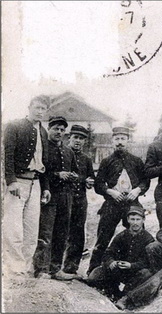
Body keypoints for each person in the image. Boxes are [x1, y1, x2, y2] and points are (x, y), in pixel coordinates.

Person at [88, 126, 150, 276]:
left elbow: (145, 181)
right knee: (103, 238)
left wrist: (137, 190)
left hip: (132, 204)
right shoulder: (106, 161)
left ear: (128, 141)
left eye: (123, 139)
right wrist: (111, 192)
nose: (120, 142)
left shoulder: (136, 161)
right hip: (112, 204)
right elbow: (98, 184)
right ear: (112, 141)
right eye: (117, 139)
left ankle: (139, 269)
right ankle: (93, 271)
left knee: (139, 234)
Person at [2, 95, 51, 278]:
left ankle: (25, 267)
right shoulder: (15, 126)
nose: (39, 111)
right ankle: (14, 268)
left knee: (32, 229)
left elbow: (44, 161)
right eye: (37, 107)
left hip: (36, 183)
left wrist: (45, 187)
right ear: (29, 107)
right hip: (18, 182)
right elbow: (8, 155)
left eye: (43, 109)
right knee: (13, 227)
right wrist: (11, 180)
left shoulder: (43, 132)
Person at [33, 116, 78, 280]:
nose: (59, 132)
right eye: (55, 129)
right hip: (49, 195)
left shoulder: (68, 151)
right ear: (49, 129)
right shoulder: (43, 149)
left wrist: (73, 176)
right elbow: (40, 173)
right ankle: (41, 269)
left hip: (66, 197)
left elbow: (75, 172)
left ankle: (56, 269)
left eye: (62, 129)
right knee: (45, 233)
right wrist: (58, 174)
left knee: (61, 233)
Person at [84, 206, 154, 300]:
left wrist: (131, 265)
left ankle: (125, 295)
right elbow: (108, 253)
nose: (135, 223)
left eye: (138, 219)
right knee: (94, 277)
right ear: (128, 220)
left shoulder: (148, 239)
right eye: (132, 219)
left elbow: (148, 262)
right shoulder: (122, 236)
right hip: (119, 271)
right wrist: (111, 261)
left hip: (135, 272)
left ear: (143, 220)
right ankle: (112, 292)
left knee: (146, 274)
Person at [62, 125, 95, 276]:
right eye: (75, 137)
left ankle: (71, 267)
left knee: (77, 233)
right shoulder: (62, 153)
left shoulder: (86, 159)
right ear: (69, 138)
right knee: (60, 230)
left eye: (81, 138)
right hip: (63, 198)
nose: (78, 141)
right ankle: (54, 265)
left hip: (80, 199)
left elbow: (90, 178)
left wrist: (89, 181)